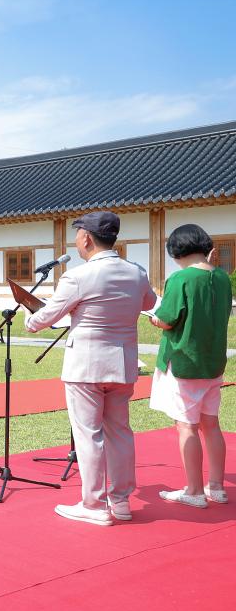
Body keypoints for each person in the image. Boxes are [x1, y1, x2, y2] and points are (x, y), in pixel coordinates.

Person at [25, 211, 156, 526]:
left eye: (77, 235)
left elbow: (45, 318)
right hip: (122, 364)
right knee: (120, 433)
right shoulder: (136, 273)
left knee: (89, 435)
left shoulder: (78, 276)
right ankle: (121, 501)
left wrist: (29, 318)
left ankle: (94, 504)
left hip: (86, 366)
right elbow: (149, 303)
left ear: (86, 238)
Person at [147, 224, 232, 508]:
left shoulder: (180, 278)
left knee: (186, 427)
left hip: (184, 361)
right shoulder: (222, 278)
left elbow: (168, 319)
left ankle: (194, 490)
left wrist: (154, 318)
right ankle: (217, 487)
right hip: (213, 362)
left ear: (176, 251)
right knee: (212, 424)